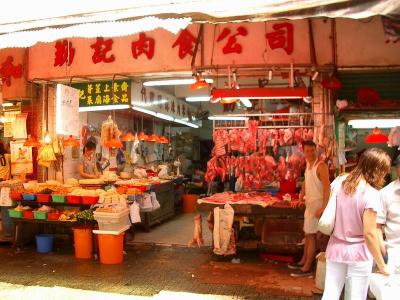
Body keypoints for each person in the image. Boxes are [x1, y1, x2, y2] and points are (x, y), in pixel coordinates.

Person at [322, 148, 391, 300]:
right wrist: (382, 265)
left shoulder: (340, 183)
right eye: (384, 171)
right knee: (355, 297)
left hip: (335, 248)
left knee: (330, 295)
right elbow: (369, 233)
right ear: (377, 170)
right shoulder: (371, 194)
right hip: (359, 253)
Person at [289, 140, 330, 277]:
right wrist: (301, 198)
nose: (310, 153)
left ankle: (306, 268)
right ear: (303, 152)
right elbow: (306, 183)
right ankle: (302, 262)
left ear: (316, 150)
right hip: (310, 204)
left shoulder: (321, 166)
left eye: (313, 150)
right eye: (307, 151)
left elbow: (327, 188)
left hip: (317, 205)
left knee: (311, 236)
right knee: (308, 234)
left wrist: (324, 207)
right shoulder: (308, 164)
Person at [377, 155, 400, 263]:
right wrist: (383, 253)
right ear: (397, 168)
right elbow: (377, 227)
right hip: (395, 253)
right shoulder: (385, 193)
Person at [0, 141, 12, 237]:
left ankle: (4, 229)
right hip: (5, 185)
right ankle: (6, 230)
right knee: (4, 206)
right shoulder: (7, 156)